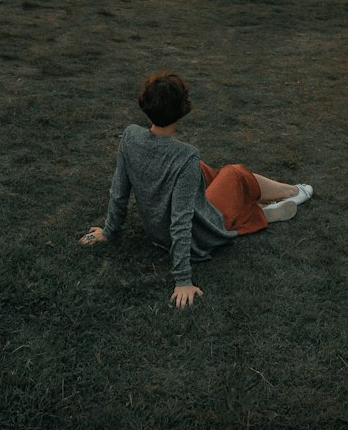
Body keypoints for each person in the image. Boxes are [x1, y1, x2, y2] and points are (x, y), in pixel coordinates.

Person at [79, 70, 313, 309]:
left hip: (156, 231)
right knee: (234, 173)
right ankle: (293, 192)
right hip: (196, 234)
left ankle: (256, 207)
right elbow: (181, 221)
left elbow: (119, 191)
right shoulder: (185, 155)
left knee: (202, 170)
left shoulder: (130, 137)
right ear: (182, 109)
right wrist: (182, 280)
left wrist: (109, 231)